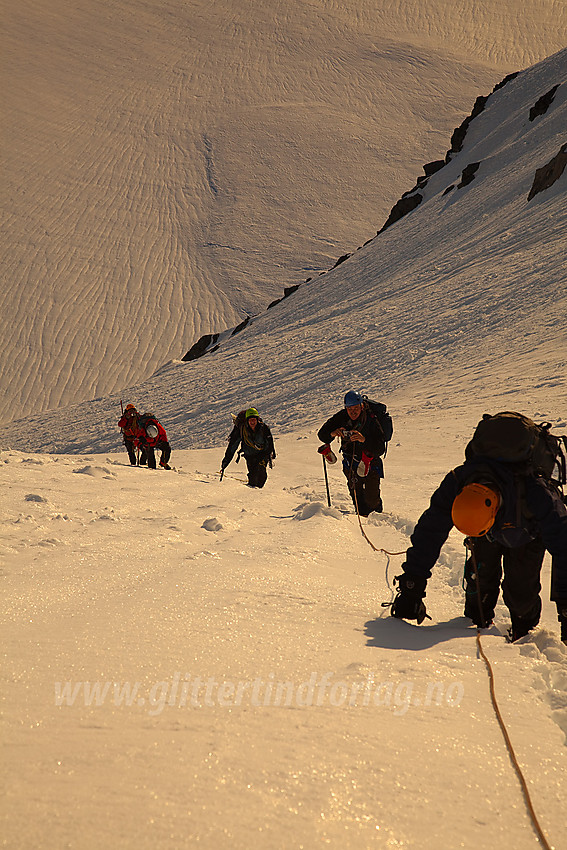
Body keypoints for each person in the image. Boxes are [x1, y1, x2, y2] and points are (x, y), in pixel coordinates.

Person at [390, 412, 567, 643]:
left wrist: (565, 609)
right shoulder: (458, 481)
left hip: (527, 534)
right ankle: (476, 622)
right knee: (480, 584)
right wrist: (412, 585)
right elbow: (429, 532)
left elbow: (564, 545)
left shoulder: (534, 492)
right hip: (487, 533)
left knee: (521, 592)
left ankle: (524, 636)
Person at [317, 391, 389, 516]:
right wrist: (333, 433)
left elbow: (380, 448)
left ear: (362, 406)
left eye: (356, 408)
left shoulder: (372, 419)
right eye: (350, 409)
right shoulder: (342, 417)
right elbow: (322, 434)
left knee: (372, 500)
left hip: (371, 463)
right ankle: (363, 523)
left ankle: (378, 525)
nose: (353, 412)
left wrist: (364, 440)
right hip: (350, 463)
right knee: (358, 500)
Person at [221, 408, 275, 488]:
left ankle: (256, 493)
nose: (252, 422)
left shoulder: (264, 429)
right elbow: (232, 446)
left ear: (257, 420)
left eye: (254, 420)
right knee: (253, 478)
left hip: (262, 455)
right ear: (247, 421)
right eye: (250, 420)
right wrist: (226, 461)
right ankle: (252, 494)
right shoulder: (242, 430)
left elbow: (270, 445)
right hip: (250, 456)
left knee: (261, 477)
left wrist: (265, 456)